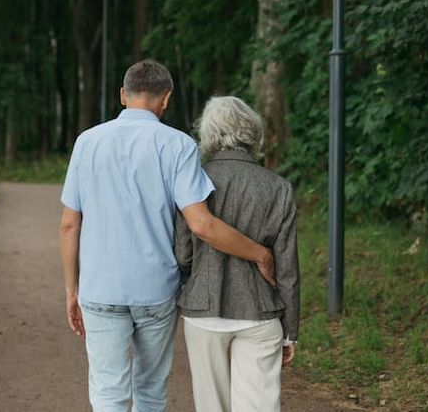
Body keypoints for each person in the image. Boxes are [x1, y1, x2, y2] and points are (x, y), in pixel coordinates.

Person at [59, 60, 275, 412]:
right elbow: (202, 225)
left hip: (100, 289)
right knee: (150, 390)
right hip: (155, 291)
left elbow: (69, 224)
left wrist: (72, 290)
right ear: (166, 99)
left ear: (123, 95)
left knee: (108, 393)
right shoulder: (179, 146)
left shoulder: (88, 142)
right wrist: (260, 254)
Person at [174, 96, 299, 412]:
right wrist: (291, 332)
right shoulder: (278, 187)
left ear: (209, 134)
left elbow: (184, 254)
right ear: (252, 134)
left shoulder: (193, 179)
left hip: (204, 311)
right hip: (260, 313)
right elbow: (286, 267)